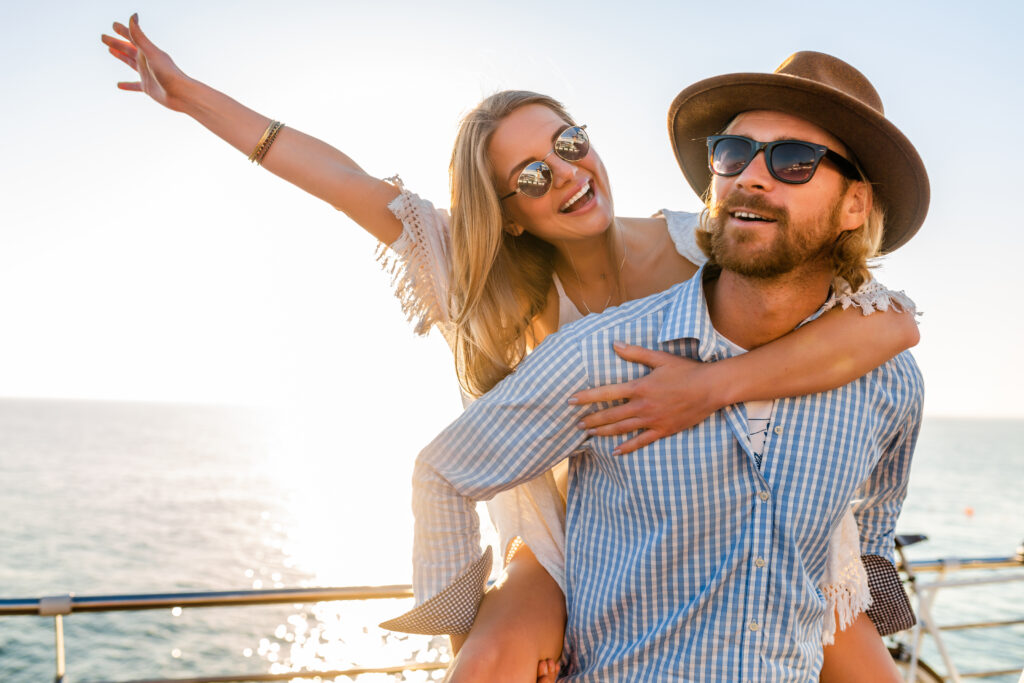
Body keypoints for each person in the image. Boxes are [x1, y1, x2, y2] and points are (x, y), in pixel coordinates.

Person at [101, 18, 917, 681]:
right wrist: (192, 98)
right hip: (561, 525)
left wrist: (711, 386)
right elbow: (338, 177)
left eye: (568, 145)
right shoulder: (489, 279)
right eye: (529, 177)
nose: (565, 175)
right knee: (487, 665)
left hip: (734, 520)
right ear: (509, 212)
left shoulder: (707, 242)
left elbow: (887, 328)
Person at [393, 51, 927, 682]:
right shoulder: (605, 355)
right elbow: (444, 473)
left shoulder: (889, 382)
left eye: (792, 161)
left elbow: (866, 540)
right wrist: (473, 632)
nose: (752, 177)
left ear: (855, 207)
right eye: (734, 153)